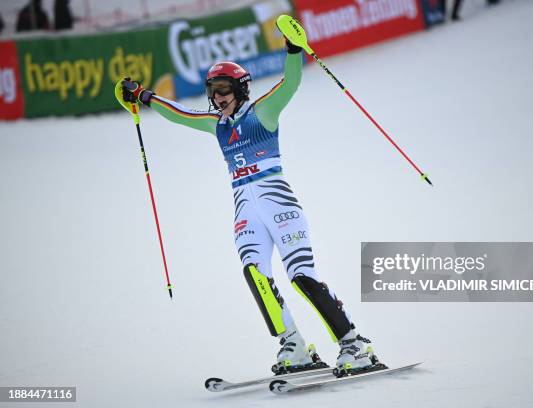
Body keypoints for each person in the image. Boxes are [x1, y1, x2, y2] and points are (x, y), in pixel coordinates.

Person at [117, 38, 378, 375]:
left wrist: (293, 50)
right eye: (212, 89)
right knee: (255, 274)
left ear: (240, 89)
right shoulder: (217, 125)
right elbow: (180, 115)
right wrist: (142, 95)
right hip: (245, 211)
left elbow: (292, 82)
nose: (217, 97)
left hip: (280, 206)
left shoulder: (262, 112)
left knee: (301, 277)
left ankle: (354, 344)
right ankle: (294, 345)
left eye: (223, 88)